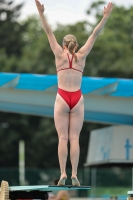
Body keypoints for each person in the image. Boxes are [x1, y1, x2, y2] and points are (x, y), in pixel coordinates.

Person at [35, 0, 113, 186]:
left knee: (63, 138)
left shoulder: (59, 54)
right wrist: (106, 17)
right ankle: (74, 174)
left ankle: (63, 174)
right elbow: (95, 34)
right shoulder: (82, 55)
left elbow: (48, 31)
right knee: (74, 138)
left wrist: (41, 13)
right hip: (77, 99)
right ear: (76, 45)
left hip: (62, 97)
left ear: (64, 45)